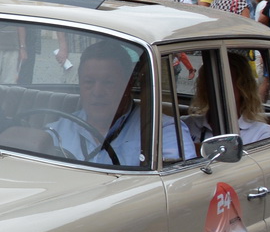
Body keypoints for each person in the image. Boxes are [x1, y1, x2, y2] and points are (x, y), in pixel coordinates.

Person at [49, 40, 191, 166]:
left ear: (128, 85)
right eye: (89, 82)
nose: (97, 92)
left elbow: (180, 181)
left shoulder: (163, 131)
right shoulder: (59, 128)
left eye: (108, 82)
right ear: (79, 84)